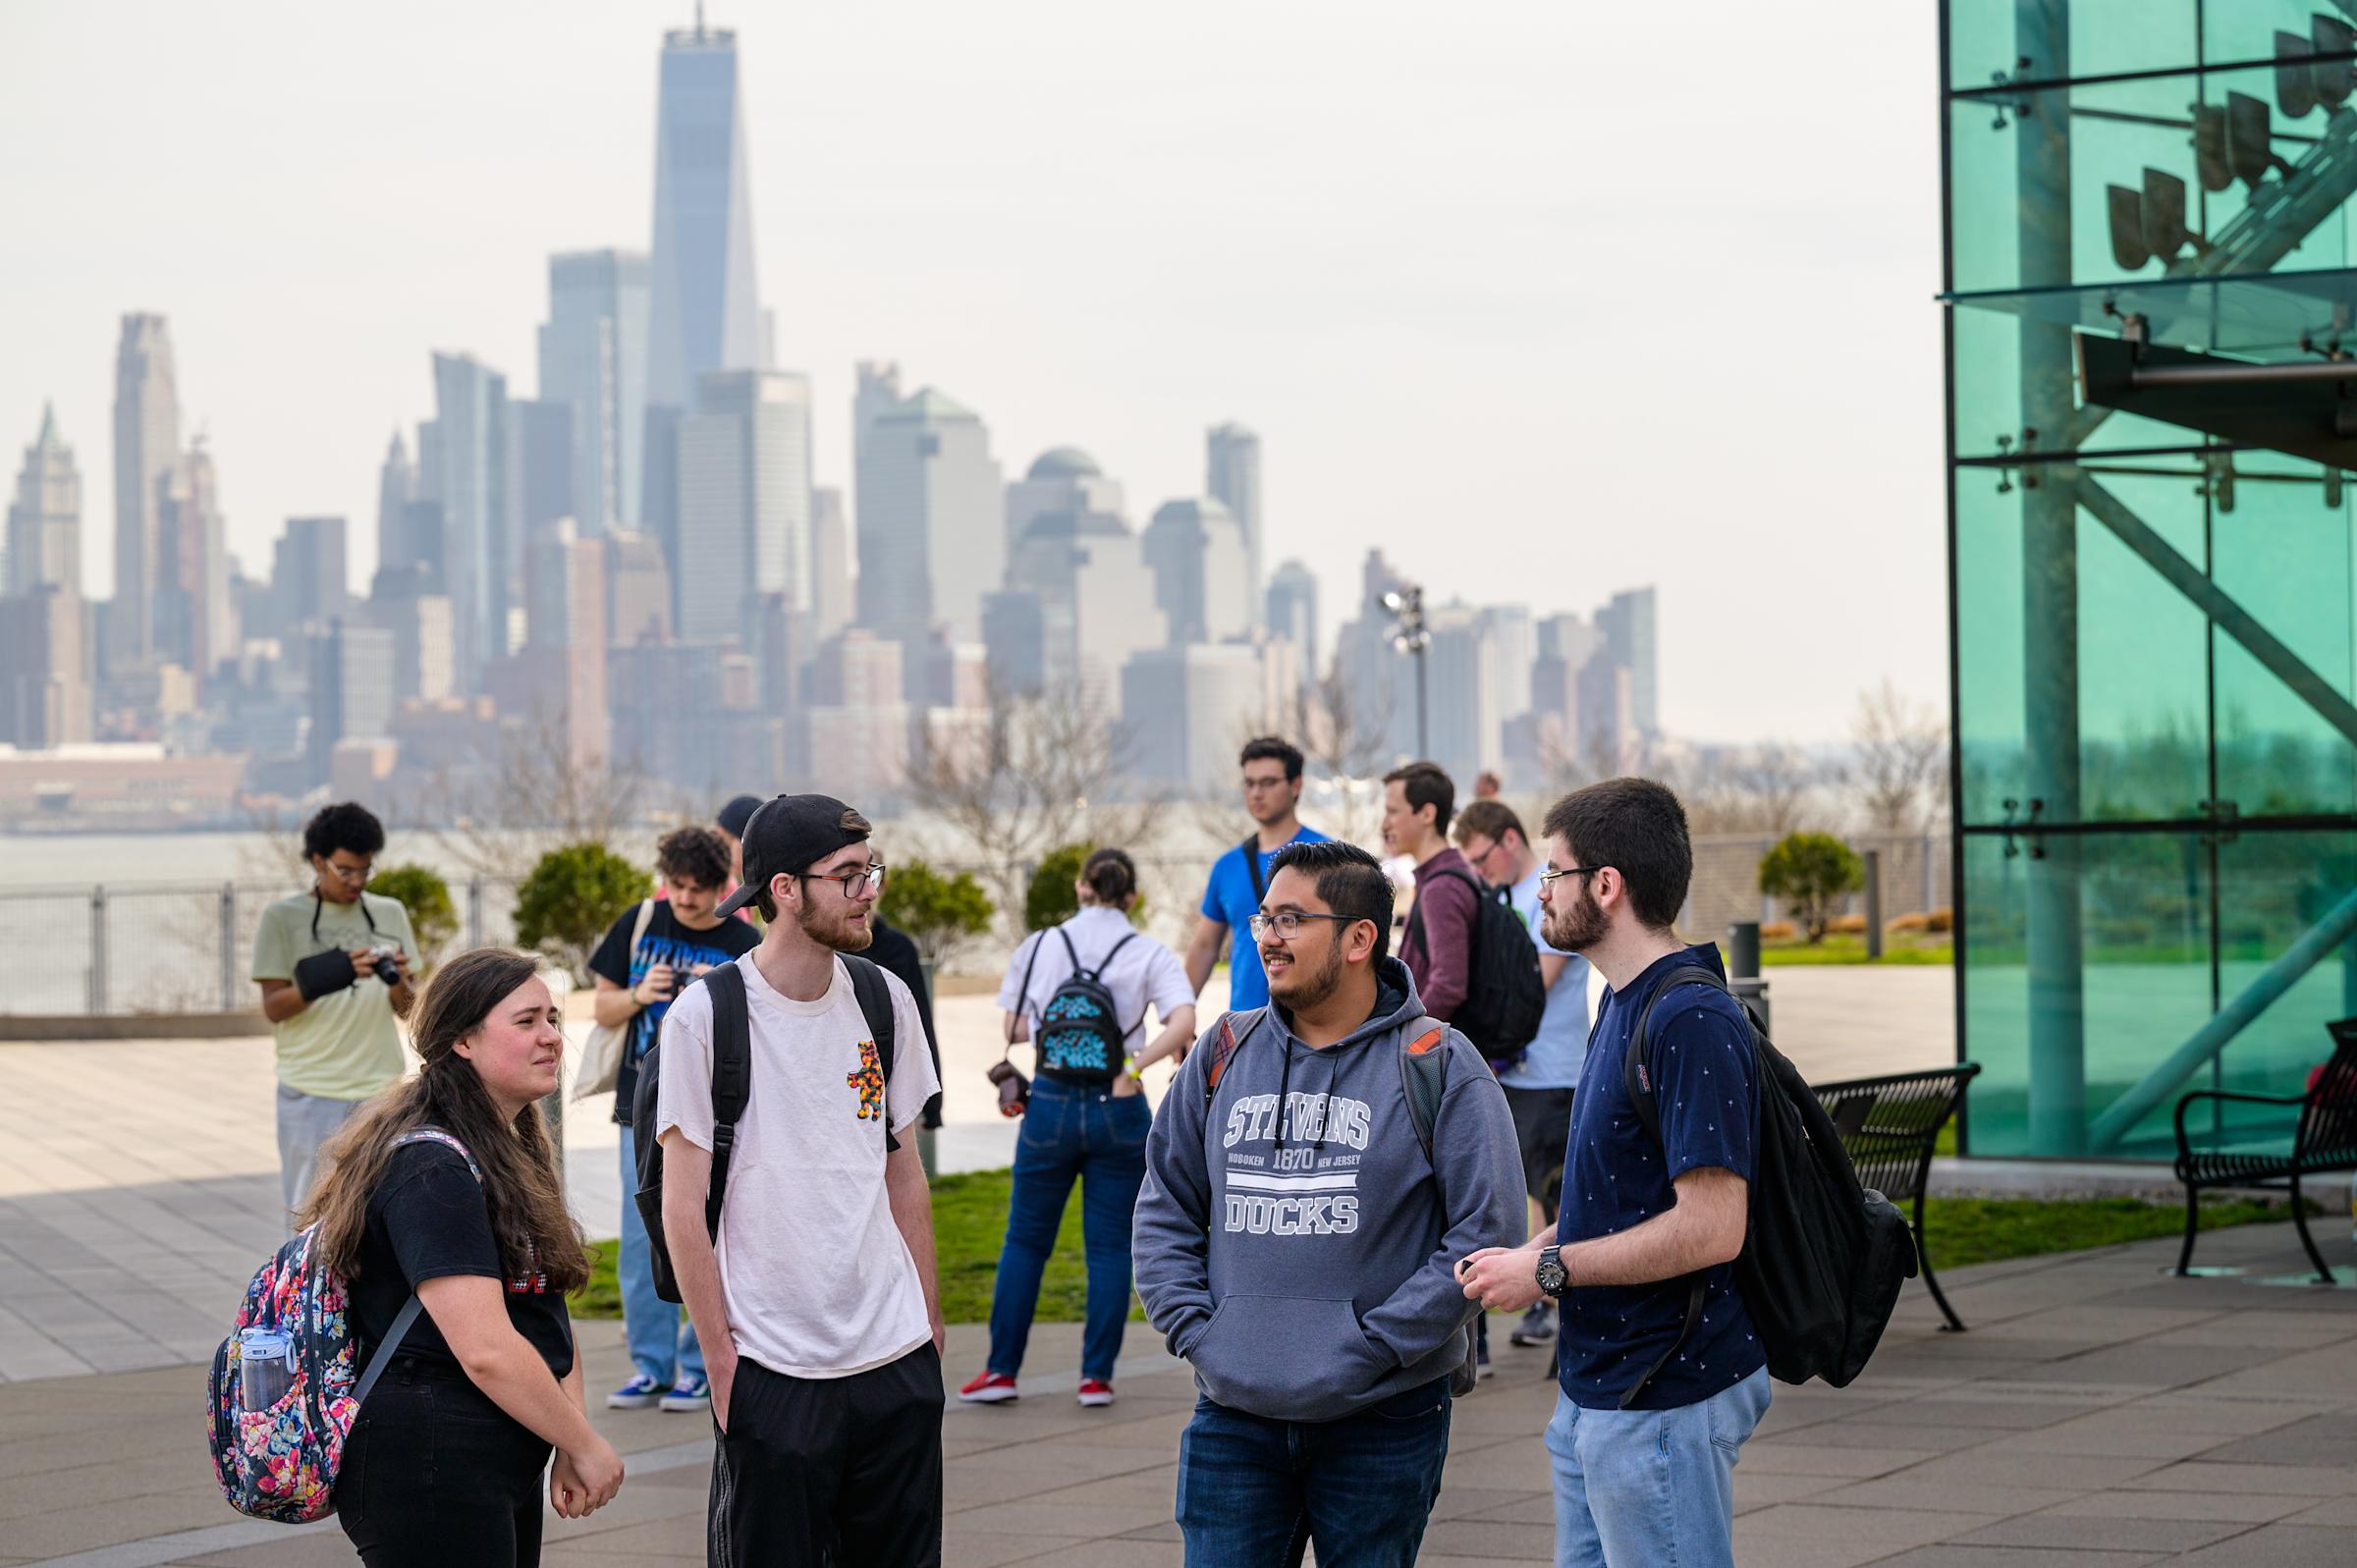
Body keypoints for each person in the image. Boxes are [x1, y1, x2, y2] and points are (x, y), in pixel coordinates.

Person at [1134, 839, 1522, 1568]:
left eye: (1290, 919)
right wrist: (1196, 1329)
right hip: (1234, 1417)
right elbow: (1165, 1203)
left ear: (1359, 938)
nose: (1268, 938)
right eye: (1263, 919)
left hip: (1384, 1415)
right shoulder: (1223, 1050)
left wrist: (1376, 1344)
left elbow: (1487, 1231)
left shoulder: (1440, 1062)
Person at [1455, 779, 1767, 1568]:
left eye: (1553, 872)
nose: (1541, 890)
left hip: (1662, 1389)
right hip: (1599, 1385)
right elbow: (1620, 1198)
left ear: (1605, 885)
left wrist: (1549, 1269)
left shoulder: (1688, 1018)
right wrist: (1535, 1254)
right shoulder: (1622, 1002)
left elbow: (1712, 1226)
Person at [656, 794, 946, 1567]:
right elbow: (680, 1204)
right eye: (847, 874)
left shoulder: (886, 1000)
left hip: (895, 1360)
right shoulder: (704, 1017)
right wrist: (722, 1363)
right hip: (772, 1370)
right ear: (783, 889)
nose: (868, 890)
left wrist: (930, 1328)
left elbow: (902, 1172)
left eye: (870, 870)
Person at [301, 946, 623, 1567]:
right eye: (526, 1022)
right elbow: (485, 1349)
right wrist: (584, 1443)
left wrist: (563, 1434)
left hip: (489, 1448)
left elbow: (543, 1305)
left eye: (553, 1019)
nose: (553, 1037)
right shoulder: (432, 1167)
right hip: (427, 1456)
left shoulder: (507, 1149)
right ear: (463, 1041)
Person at [959, 848, 1197, 1408]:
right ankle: (1096, 1378)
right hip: (1119, 1105)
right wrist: (1134, 1067)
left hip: (1050, 1103)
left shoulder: (1041, 944)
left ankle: (1000, 1372)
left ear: (1080, 887)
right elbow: (1184, 1022)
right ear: (1131, 896)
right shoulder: (1147, 951)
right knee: (1111, 1248)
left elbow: (1015, 1028)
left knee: (1025, 1240)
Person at [587, 826, 760, 1413]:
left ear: (723, 886)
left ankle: (696, 1365)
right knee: (640, 1240)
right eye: (676, 888)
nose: (685, 900)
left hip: (716, 1113)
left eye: (698, 890)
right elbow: (600, 1006)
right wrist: (640, 995)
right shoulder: (639, 922)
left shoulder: (744, 939)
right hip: (640, 1105)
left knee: (709, 1232)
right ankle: (651, 1367)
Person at [1452, 799, 1592, 1350]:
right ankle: (1540, 1309)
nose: (1480, 872)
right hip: (1510, 1073)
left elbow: (1538, 979)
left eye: (1483, 859)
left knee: (1560, 1199)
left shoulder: (1548, 894)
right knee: (1523, 1196)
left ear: (1510, 840)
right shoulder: (1501, 894)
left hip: (1554, 1075)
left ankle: (1566, 1318)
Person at [252, 802, 418, 1222]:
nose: (357, 881)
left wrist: (396, 979)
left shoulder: (389, 912)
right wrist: (332, 973)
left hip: (381, 1089)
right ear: (318, 861)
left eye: (365, 870)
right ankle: (307, 1291)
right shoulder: (282, 918)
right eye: (345, 870)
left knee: (384, 1213)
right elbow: (274, 1007)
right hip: (311, 1090)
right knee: (311, 1216)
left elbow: (408, 1008)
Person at [1379, 760, 1492, 1375]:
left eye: (1394, 809)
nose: (1385, 821)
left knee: (1446, 1216)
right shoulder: (1444, 878)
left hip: (1435, 1074)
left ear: (1427, 813)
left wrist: (1403, 1038)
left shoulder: (1444, 885)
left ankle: (1457, 1355)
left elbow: (1447, 979)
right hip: (1441, 1066)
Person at [1186, 736, 1331, 1011]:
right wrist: (1180, 1015)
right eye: (1249, 783)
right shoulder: (1227, 866)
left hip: (1311, 1023)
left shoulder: (1326, 856)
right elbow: (1205, 947)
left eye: (1267, 783)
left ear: (1295, 785)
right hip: (1246, 1024)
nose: (1256, 793)